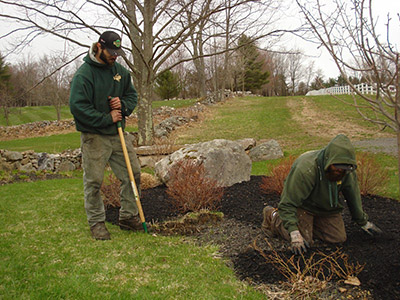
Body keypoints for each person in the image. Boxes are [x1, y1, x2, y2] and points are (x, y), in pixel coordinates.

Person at [69, 30, 142, 240]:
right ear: (98, 47)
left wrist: (124, 105)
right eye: (110, 51)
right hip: (94, 137)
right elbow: (78, 108)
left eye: (117, 52)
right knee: (93, 181)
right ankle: (97, 223)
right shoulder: (84, 75)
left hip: (118, 135)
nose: (114, 55)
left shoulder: (120, 71)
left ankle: (128, 217)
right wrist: (106, 118)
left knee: (133, 174)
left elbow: (131, 95)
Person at [261, 134, 382, 254]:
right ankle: (273, 216)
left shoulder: (347, 171)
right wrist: (294, 232)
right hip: (304, 206)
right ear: (329, 160)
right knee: (304, 239)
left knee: (338, 238)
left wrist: (363, 222)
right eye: (337, 166)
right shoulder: (306, 169)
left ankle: (310, 225)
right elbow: (288, 203)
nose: (340, 170)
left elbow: (353, 196)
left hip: (326, 209)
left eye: (344, 168)